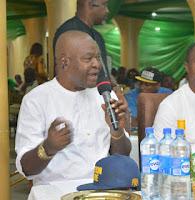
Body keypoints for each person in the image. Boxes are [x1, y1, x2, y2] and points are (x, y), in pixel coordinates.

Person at [15, 31, 131, 188]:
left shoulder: (105, 95)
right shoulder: (36, 100)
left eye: (98, 57)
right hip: (54, 192)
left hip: (102, 189)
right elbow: (26, 169)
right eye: (88, 58)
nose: (97, 64)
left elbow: (123, 156)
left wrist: (116, 132)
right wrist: (48, 147)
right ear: (64, 62)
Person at [53, 0, 111, 79]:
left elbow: (103, 72)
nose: (107, 11)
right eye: (104, 5)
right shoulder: (69, 32)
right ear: (90, 4)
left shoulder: (97, 36)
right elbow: (67, 76)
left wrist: (111, 84)